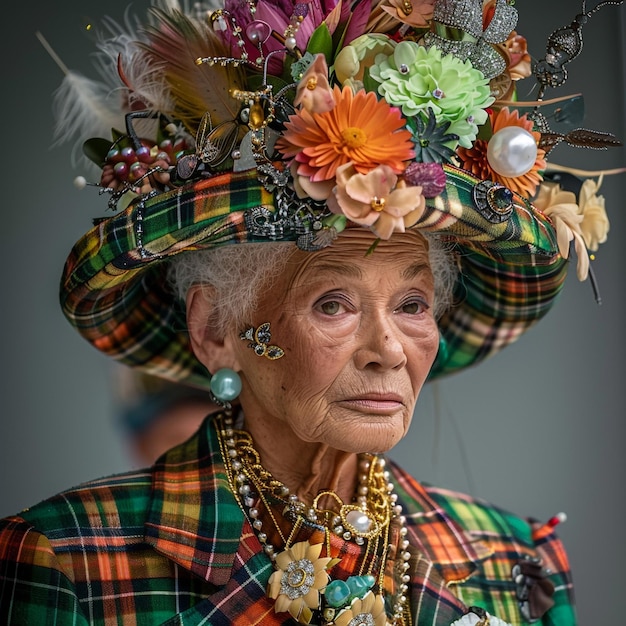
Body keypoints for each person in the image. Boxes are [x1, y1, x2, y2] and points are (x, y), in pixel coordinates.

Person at [0, 0, 621, 623]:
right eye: (334, 303)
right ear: (215, 330)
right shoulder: (68, 562)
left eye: (411, 304)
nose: (389, 349)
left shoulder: (514, 564)